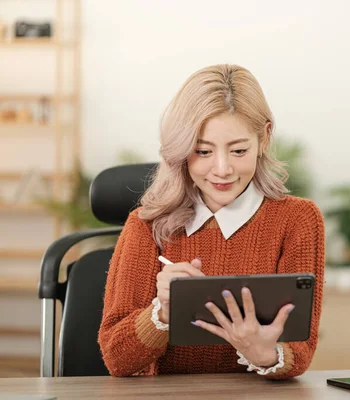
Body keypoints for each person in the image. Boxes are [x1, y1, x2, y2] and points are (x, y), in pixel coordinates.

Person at [98, 64, 325, 379]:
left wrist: (264, 353)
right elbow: (116, 360)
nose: (222, 169)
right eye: (203, 151)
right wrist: (162, 313)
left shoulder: (298, 219)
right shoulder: (146, 225)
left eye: (238, 150)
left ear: (265, 138)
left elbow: (299, 353)